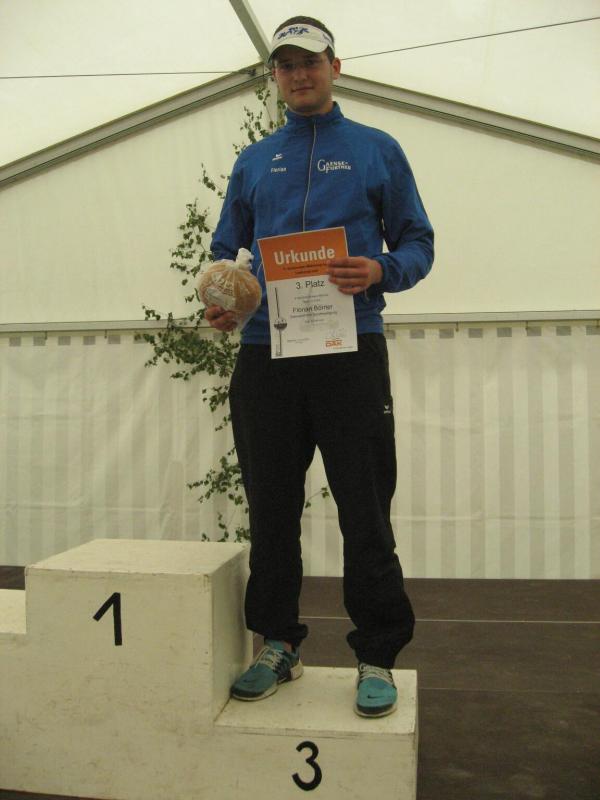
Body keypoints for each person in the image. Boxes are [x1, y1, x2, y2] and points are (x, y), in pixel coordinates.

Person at [206, 16, 434, 717]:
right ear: (274, 76)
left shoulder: (376, 150)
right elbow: (226, 251)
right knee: (271, 508)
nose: (299, 75)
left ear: (336, 67)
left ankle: (377, 654)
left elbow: (419, 243)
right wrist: (224, 302)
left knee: (365, 509)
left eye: (310, 62)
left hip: (349, 352)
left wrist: (381, 269)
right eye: (286, 65)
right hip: (266, 356)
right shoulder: (254, 162)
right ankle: (278, 643)